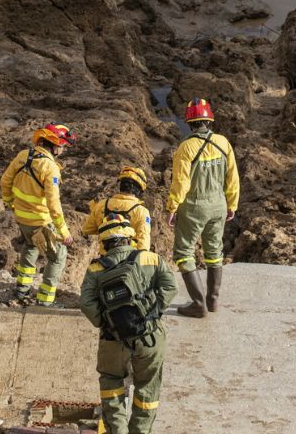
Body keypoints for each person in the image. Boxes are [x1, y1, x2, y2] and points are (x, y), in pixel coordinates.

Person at [79, 214, 177, 434]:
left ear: (104, 242)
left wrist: (106, 323)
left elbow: (85, 303)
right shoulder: (150, 259)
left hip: (113, 341)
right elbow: (171, 288)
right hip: (150, 337)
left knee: (111, 382)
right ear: (130, 238)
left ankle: (118, 431)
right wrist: (152, 313)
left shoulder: (96, 269)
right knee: (147, 387)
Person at [166, 98, 239, 318]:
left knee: (183, 253)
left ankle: (198, 304)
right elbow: (232, 177)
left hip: (194, 206)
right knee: (214, 252)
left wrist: (172, 206)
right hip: (219, 204)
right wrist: (232, 203)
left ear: (189, 122)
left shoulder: (186, 147)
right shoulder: (223, 142)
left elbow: (181, 182)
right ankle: (213, 300)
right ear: (209, 120)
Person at [0, 123, 75, 306]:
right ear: (54, 144)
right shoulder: (50, 168)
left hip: (21, 218)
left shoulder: (23, 156)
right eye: (62, 146)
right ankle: (45, 301)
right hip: (41, 222)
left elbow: (5, 181)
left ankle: (21, 290)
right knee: (58, 257)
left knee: (30, 246)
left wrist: (10, 203)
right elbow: (54, 204)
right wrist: (63, 232)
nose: (63, 150)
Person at [82, 166, 153, 252]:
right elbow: (143, 244)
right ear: (139, 190)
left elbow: (86, 230)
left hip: (106, 260)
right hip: (129, 261)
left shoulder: (101, 205)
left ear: (121, 185)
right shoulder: (142, 212)